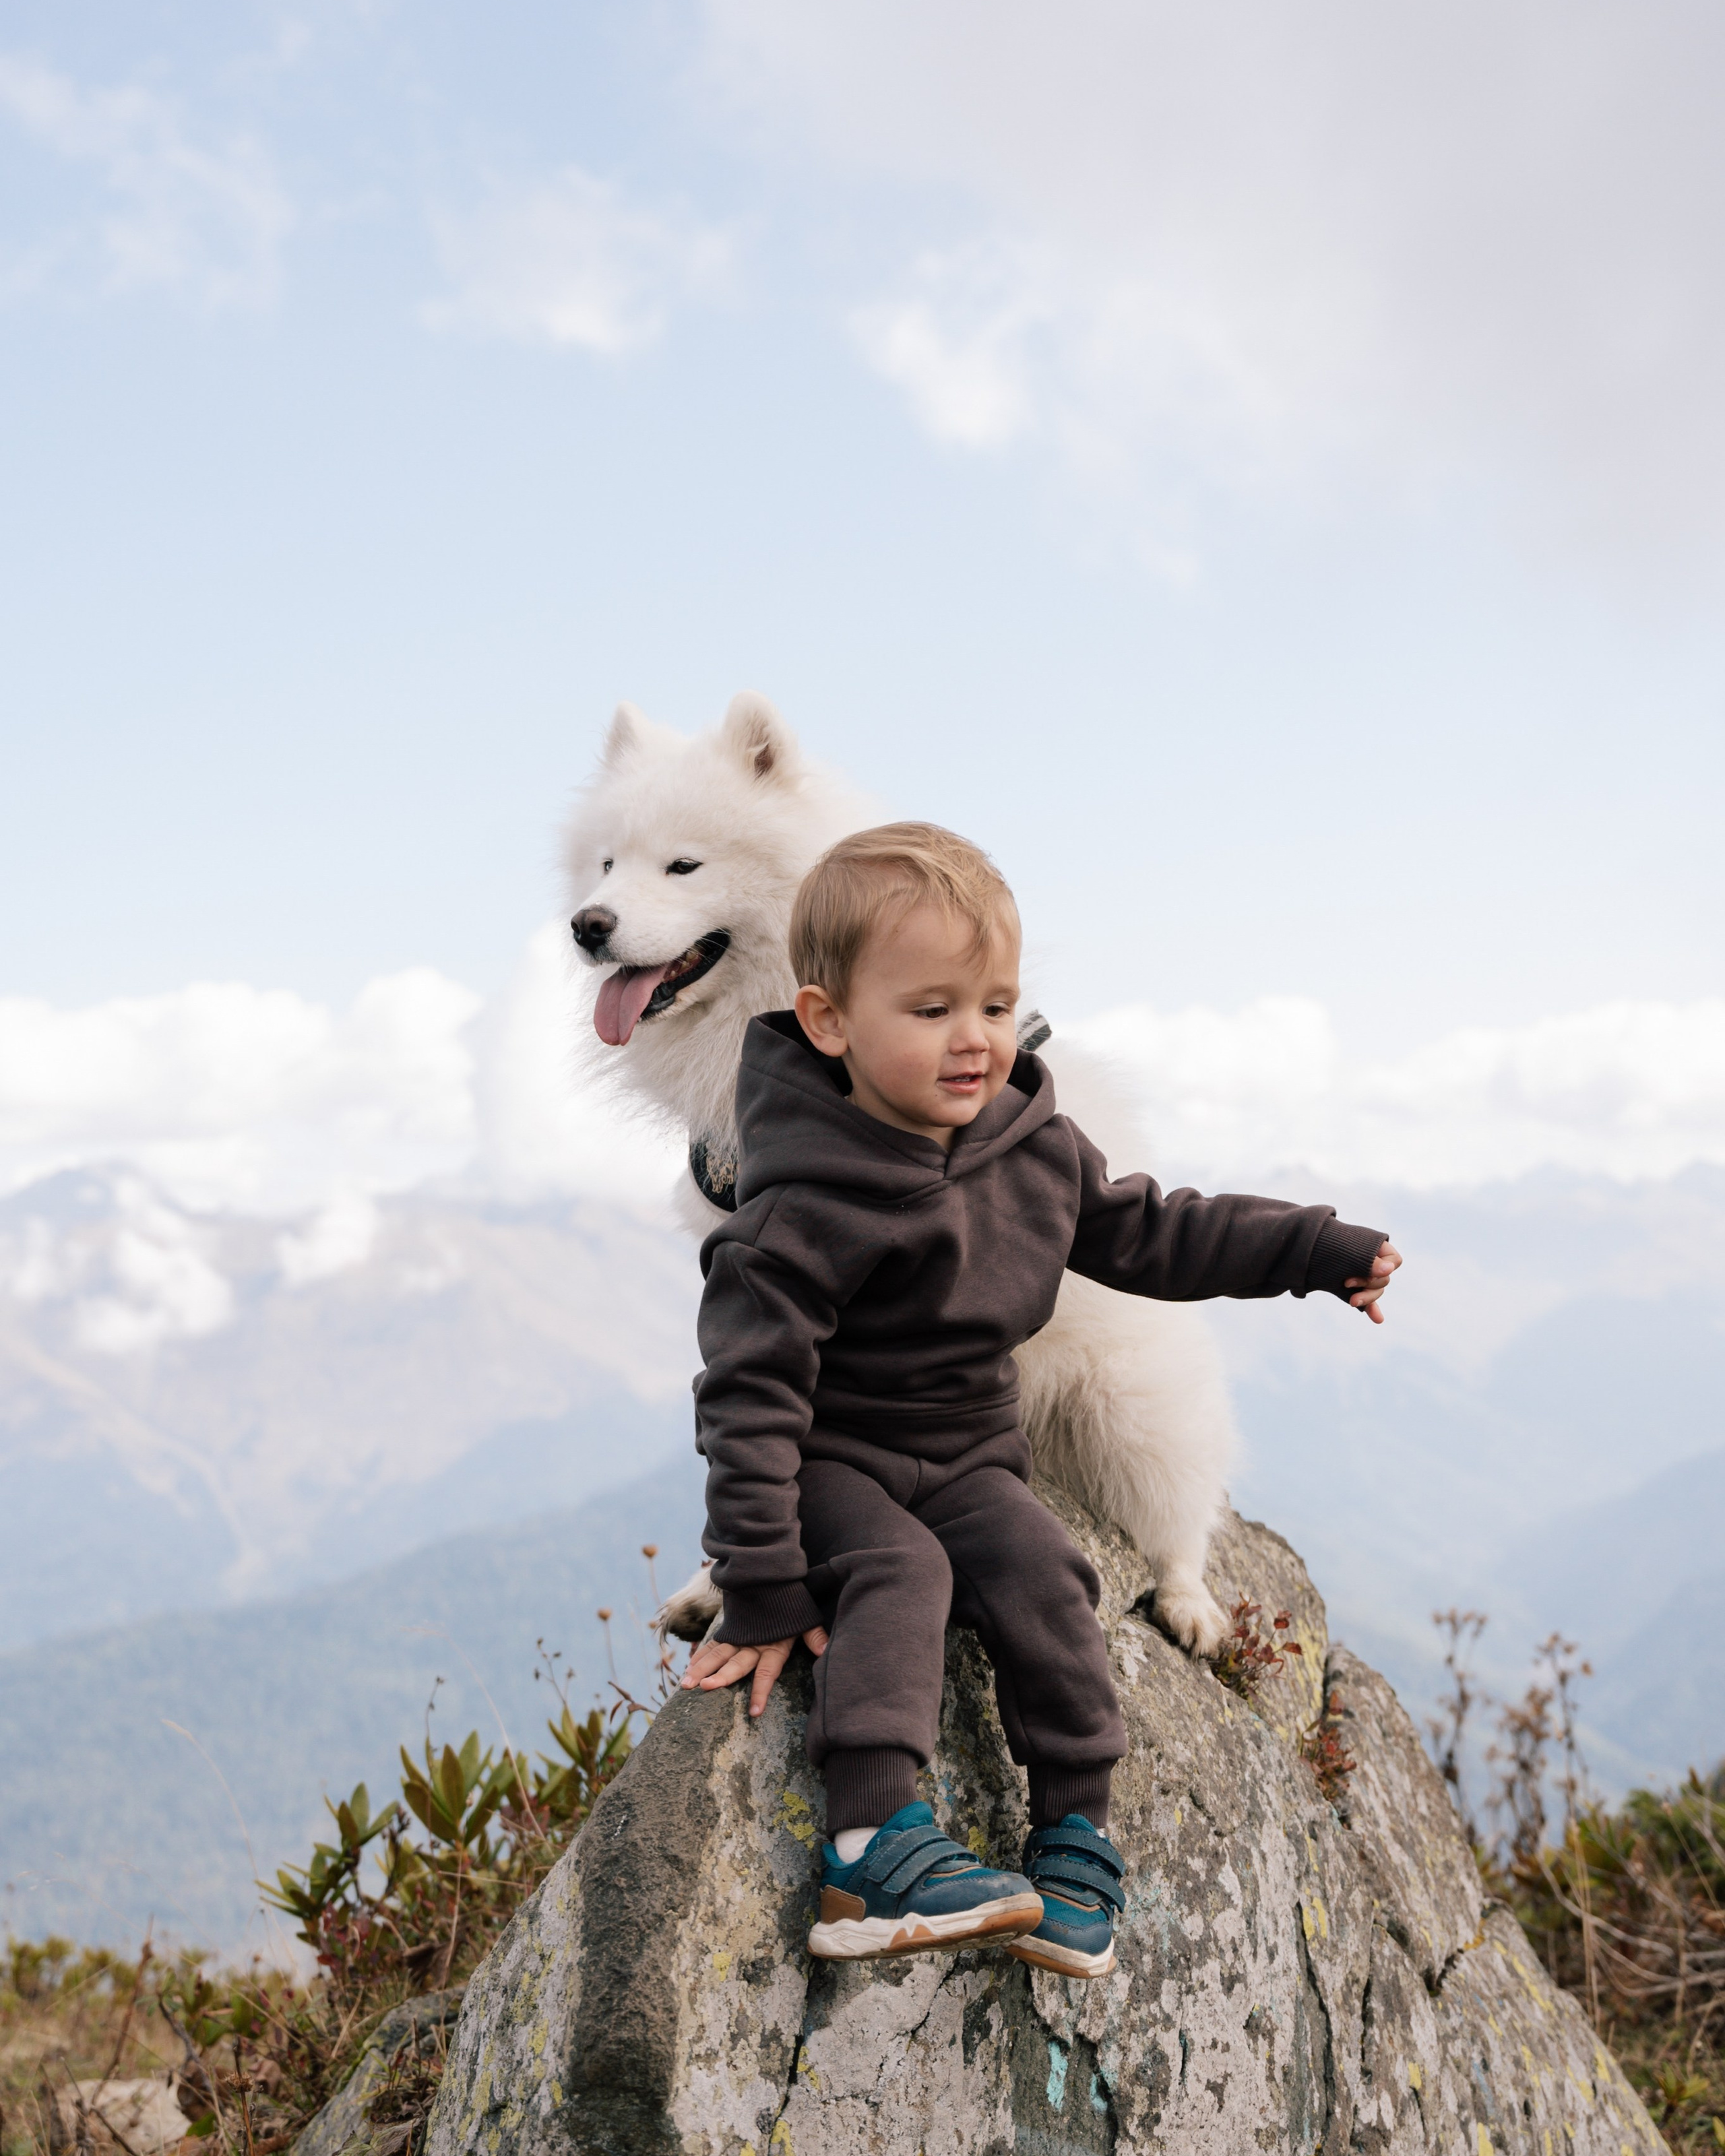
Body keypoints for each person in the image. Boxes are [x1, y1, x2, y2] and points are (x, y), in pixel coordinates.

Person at [680, 823, 1400, 1978]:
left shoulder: (1031, 1143)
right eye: (930, 1011)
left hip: (969, 1456)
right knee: (902, 1573)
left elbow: (1158, 1232)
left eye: (996, 1005)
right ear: (828, 1022)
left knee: (1045, 1569)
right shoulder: (795, 1203)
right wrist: (760, 1585)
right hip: (836, 1461)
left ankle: (1072, 1841)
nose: (974, 1041)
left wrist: (1317, 1249)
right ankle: (868, 1849)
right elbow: (749, 1399)